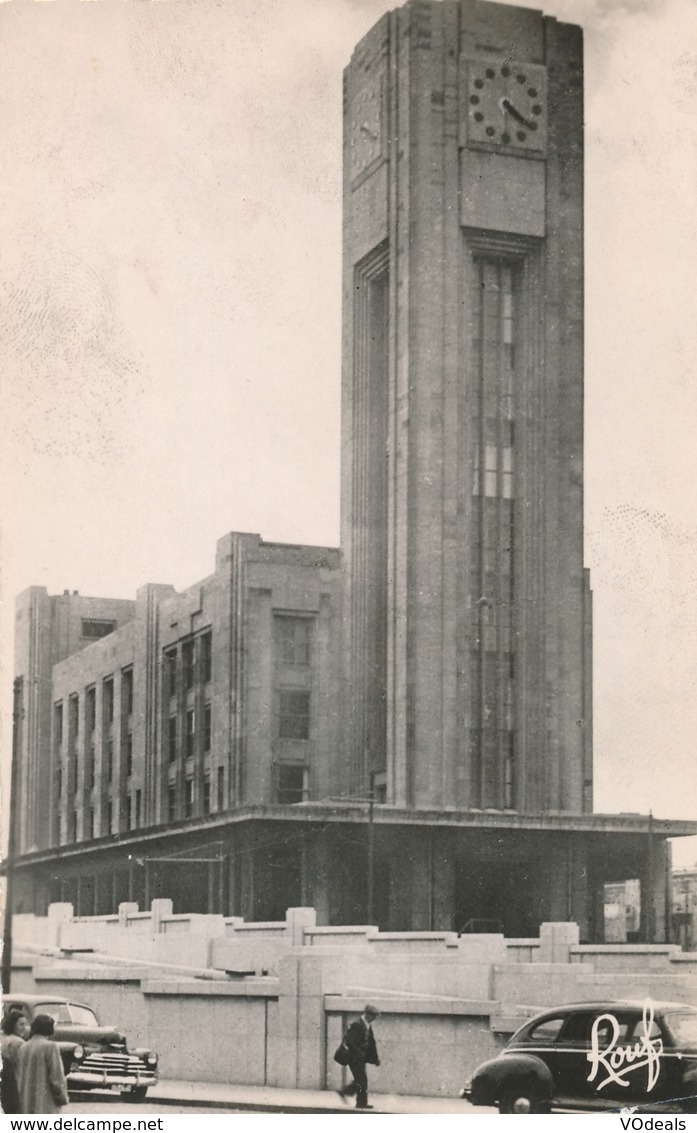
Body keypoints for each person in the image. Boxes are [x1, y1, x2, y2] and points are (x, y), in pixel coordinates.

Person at [17, 1014, 69, 1115]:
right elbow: (57, 1077)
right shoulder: (50, 1047)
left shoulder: (23, 1047)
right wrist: (63, 1097)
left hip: (25, 1104)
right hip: (46, 1105)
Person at [337, 1003, 380, 1110]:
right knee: (362, 1079)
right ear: (367, 1015)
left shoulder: (366, 1026)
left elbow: (371, 1044)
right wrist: (359, 1053)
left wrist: (375, 1059)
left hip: (360, 1058)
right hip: (354, 1057)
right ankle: (358, 1101)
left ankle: (350, 1094)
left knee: (360, 1080)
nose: (374, 1019)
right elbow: (350, 1041)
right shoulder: (357, 1024)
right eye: (373, 1016)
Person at [1, 1009, 29, 1114]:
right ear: (13, 1025)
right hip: (16, 1085)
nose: (24, 1028)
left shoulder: (4, 1039)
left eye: (25, 1024)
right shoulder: (19, 1043)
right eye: (21, 1024)